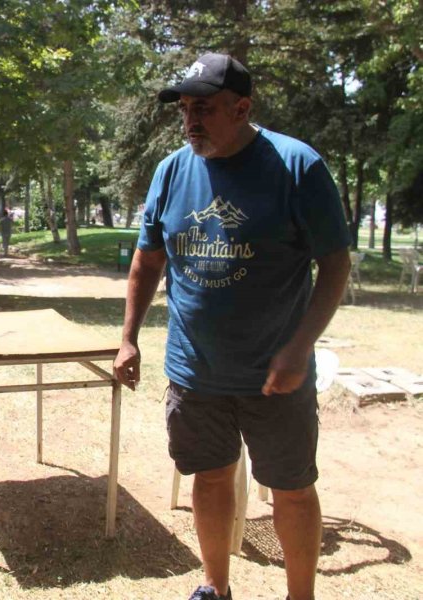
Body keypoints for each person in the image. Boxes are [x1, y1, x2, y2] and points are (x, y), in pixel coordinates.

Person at [113, 53, 350, 600]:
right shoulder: (172, 170)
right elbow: (148, 258)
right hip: (196, 373)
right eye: (184, 110)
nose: (190, 121)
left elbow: (335, 263)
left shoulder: (297, 166)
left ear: (242, 109)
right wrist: (128, 337)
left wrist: (300, 347)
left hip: (275, 376)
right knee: (210, 475)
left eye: (203, 109)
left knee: (291, 488)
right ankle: (215, 587)